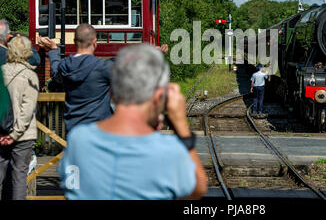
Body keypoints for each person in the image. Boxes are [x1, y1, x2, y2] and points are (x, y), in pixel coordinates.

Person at [57, 44, 208, 199]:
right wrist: (181, 125)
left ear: (113, 92)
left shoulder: (79, 140)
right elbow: (198, 188)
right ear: (158, 98)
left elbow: (72, 187)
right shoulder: (168, 151)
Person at [38, 24, 114, 134]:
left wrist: (54, 50)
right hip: (100, 130)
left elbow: (55, 73)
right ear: (94, 41)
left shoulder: (65, 66)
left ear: (74, 41)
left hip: (74, 129)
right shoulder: (103, 67)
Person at [0, 35, 39, 200]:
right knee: (19, 177)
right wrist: (14, 134)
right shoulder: (30, 75)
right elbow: (27, 109)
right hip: (23, 135)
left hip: (0, 133)